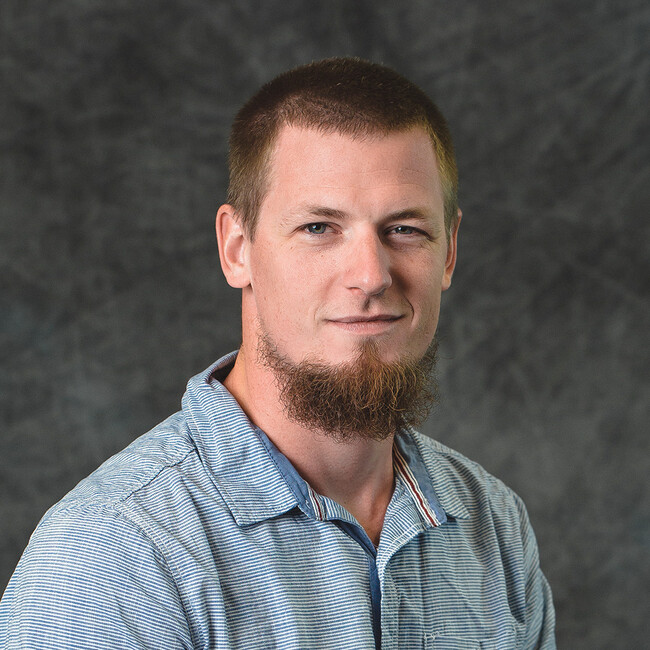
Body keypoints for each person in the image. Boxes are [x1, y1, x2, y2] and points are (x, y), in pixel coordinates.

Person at [0, 58, 555, 649]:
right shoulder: (114, 556)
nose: (370, 276)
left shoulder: (494, 528)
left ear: (448, 254)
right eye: (320, 227)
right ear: (238, 249)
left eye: (405, 229)